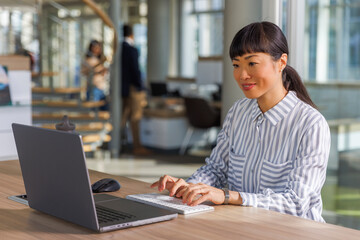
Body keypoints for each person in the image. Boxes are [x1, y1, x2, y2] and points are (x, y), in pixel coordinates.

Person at [151, 21, 331, 222]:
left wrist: (228, 196)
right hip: (242, 225)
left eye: (251, 63)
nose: (242, 75)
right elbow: (216, 169)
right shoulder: (238, 112)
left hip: (292, 232)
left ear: (281, 62)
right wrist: (189, 187)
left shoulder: (311, 125)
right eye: (236, 65)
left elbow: (296, 204)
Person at [121, 24, 151, 156]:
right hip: (133, 89)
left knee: (122, 117)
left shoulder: (118, 49)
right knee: (135, 118)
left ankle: (116, 143)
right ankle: (137, 146)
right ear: (132, 34)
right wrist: (141, 86)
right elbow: (135, 70)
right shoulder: (132, 50)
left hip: (122, 89)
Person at [82, 40, 108, 107]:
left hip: (101, 88)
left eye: (98, 47)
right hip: (93, 88)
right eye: (95, 47)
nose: (97, 49)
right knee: (93, 111)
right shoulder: (88, 60)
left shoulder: (99, 59)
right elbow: (85, 71)